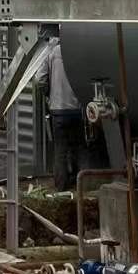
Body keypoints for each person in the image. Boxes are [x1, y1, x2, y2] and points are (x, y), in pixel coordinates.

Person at [36, 29, 87, 193]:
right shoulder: (79, 52)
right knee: (78, 148)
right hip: (77, 109)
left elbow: (39, 79)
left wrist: (48, 94)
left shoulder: (51, 53)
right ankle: (81, 185)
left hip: (58, 110)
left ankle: (61, 186)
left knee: (60, 150)